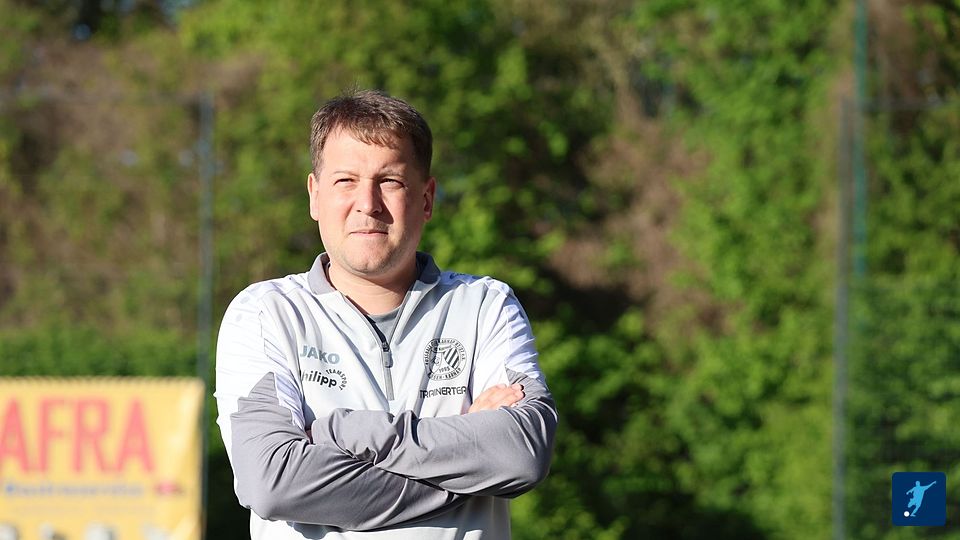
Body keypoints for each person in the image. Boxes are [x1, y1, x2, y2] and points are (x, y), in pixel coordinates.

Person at [215, 89, 558, 539]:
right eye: (346, 181)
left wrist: (346, 433)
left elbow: (521, 455)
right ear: (315, 196)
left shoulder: (484, 305)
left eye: (390, 181)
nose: (368, 202)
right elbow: (272, 482)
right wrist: (468, 466)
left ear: (427, 198)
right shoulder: (265, 313)